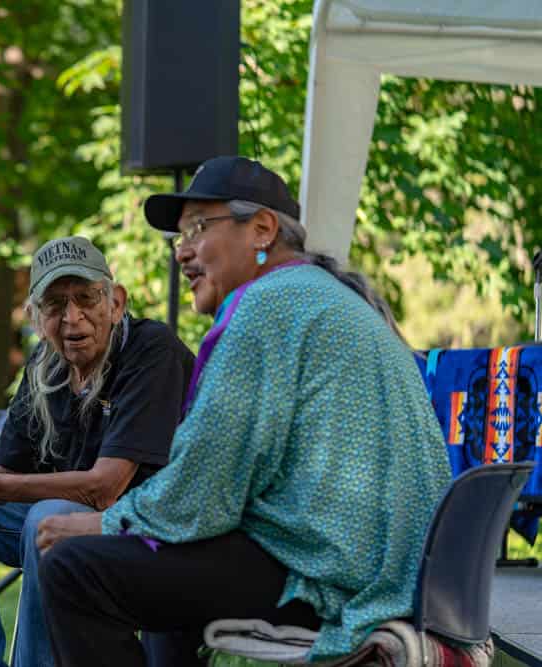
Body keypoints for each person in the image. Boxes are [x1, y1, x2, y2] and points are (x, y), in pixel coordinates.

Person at [34, 156, 453, 666]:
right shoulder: (327, 297)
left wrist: (106, 524)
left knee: (75, 569)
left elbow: (206, 488)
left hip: (330, 582)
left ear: (261, 229)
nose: (183, 253)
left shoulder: (266, 307)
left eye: (198, 229)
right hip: (380, 571)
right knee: (162, 565)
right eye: (179, 238)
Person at [0, 236, 195, 667]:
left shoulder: (151, 350)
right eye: (56, 304)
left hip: (153, 537)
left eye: (85, 298)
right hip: (79, 529)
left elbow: (104, 490)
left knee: (50, 518)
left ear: (115, 302)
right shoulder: (46, 364)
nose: (72, 318)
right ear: (37, 318)